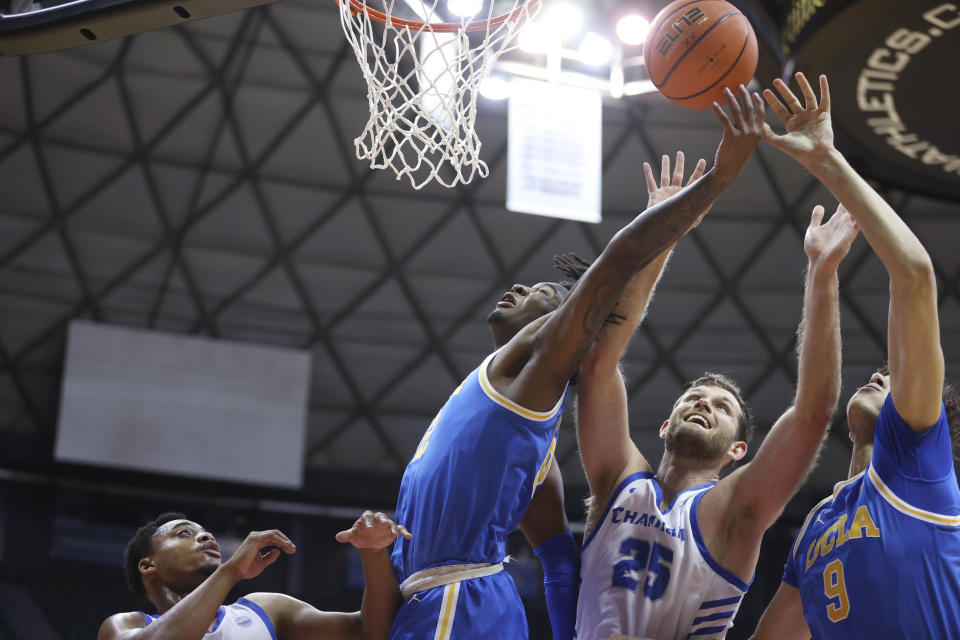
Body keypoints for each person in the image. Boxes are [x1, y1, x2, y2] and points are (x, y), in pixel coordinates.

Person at [387, 85, 767, 640]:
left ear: (565, 324)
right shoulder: (529, 443)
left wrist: (712, 187)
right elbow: (562, 562)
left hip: (458, 603)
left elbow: (614, 267)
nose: (520, 285)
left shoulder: (539, 373)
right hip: (432, 598)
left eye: (544, 290)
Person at [570, 125, 860, 637]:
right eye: (694, 398)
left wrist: (822, 272)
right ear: (664, 426)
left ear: (737, 450)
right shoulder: (619, 479)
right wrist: (663, 228)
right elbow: (598, 364)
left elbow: (814, 411)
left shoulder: (734, 511)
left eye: (721, 407)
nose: (704, 404)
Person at [749, 73, 960, 639]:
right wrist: (822, 269)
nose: (878, 372)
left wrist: (827, 161)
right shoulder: (817, 524)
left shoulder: (915, 460)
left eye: (892, 379)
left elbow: (913, 276)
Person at [98, 510, 410, 640]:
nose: (206, 537)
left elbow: (372, 632)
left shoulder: (266, 610)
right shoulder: (124, 626)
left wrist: (372, 553)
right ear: (147, 565)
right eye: (184, 533)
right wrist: (231, 571)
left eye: (206, 533)